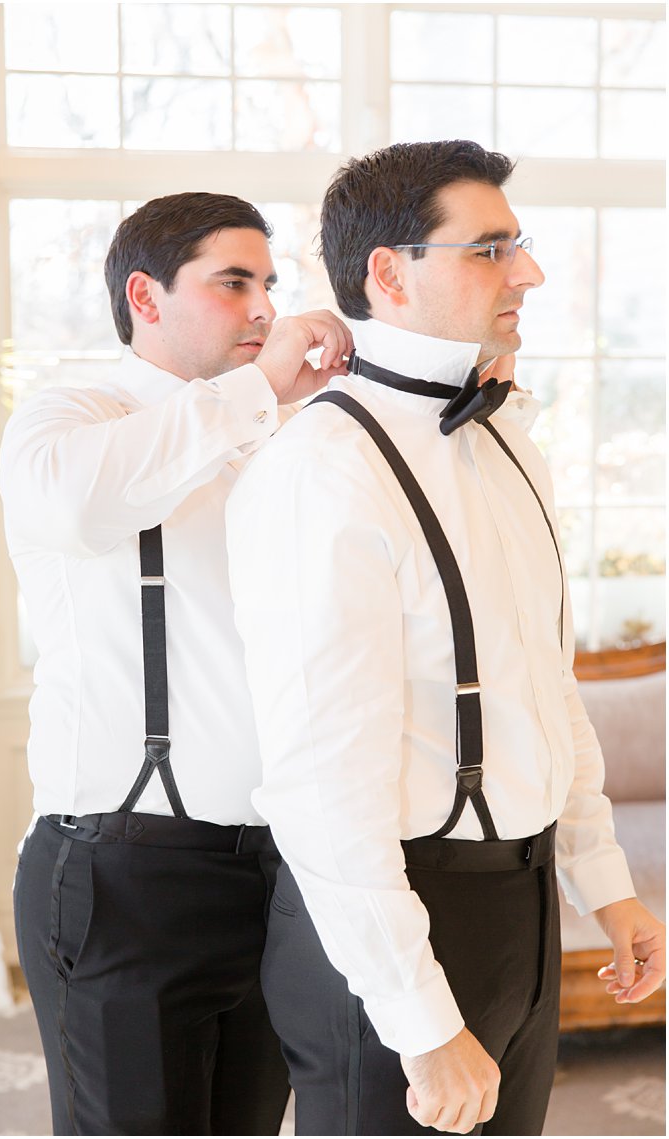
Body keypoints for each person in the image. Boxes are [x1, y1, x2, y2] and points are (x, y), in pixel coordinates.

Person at [225, 140, 667, 1136]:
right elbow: (317, 779)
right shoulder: (319, 471)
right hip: (392, 919)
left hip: (521, 903)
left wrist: (604, 883)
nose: (529, 273)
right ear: (387, 272)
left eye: (518, 246)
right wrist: (417, 1015)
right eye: (489, 249)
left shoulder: (507, 437)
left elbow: (544, 688)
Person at [0, 191, 352, 1135]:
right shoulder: (70, 416)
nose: (265, 308)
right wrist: (253, 395)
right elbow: (77, 506)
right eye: (234, 283)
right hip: (125, 874)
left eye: (270, 285)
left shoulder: (270, 446)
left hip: (274, 875)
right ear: (146, 297)